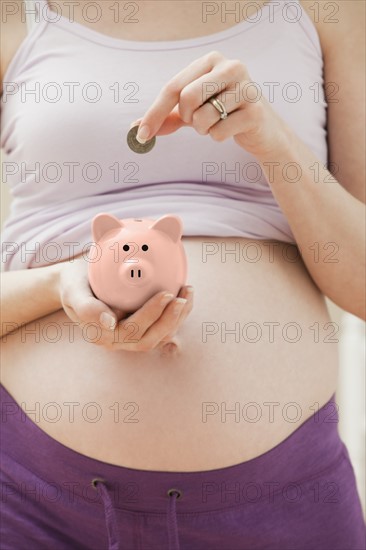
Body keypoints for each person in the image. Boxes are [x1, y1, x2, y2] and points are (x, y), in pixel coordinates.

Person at [1, 0, 365, 548]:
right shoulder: (15, 18)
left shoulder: (330, 11)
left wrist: (274, 141)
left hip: (281, 505)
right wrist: (59, 285)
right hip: (30, 501)